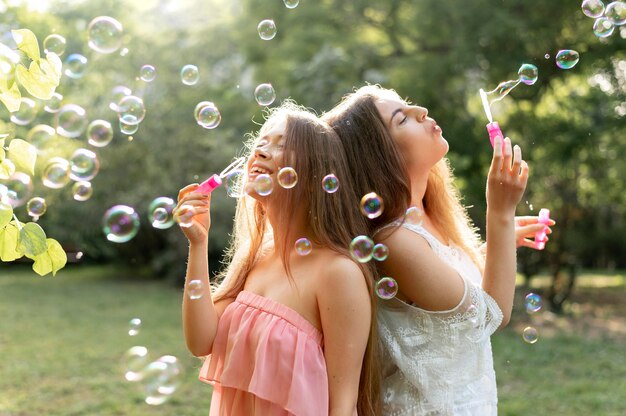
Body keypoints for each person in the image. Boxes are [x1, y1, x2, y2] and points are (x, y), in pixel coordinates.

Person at [323, 85, 554, 415]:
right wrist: (500, 214)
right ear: (380, 156)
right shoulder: (394, 241)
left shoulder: (426, 220)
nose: (422, 113)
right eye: (402, 119)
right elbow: (491, 314)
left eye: (411, 106)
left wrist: (494, 247)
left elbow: (455, 287)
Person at [175, 102, 380, 416]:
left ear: (315, 172)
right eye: (260, 143)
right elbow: (200, 341)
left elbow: (342, 405)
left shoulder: (337, 273)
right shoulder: (256, 258)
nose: (261, 152)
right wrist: (198, 243)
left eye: (282, 146)